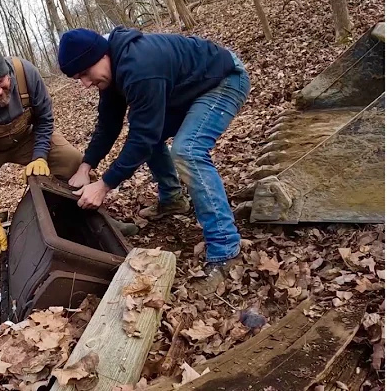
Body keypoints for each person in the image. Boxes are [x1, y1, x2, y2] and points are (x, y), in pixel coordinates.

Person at [58, 26, 250, 296]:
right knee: (154, 135)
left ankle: (225, 250)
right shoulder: (112, 70)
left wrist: (103, 186)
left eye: (85, 74)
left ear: (101, 56)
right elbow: (108, 125)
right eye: (78, 78)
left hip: (224, 80)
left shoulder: (139, 66)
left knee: (187, 151)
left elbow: (142, 137)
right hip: (190, 87)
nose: (85, 84)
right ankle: (173, 200)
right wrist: (85, 166)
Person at [0, 39, 86, 297]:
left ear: (7, 71)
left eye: (1, 81)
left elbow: (45, 119)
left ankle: (88, 219)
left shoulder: (25, 72)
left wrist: (41, 155)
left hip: (26, 136)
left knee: (71, 159)